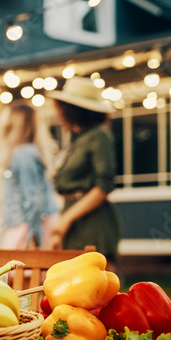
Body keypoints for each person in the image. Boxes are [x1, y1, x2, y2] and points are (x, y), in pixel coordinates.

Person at [47, 76, 122, 264]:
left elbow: (103, 187)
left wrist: (66, 220)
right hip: (72, 221)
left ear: (73, 111)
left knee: (96, 284)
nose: (58, 114)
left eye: (61, 108)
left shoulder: (99, 137)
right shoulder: (77, 140)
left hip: (92, 223)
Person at [0, 102, 60, 249]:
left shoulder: (24, 154)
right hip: (27, 225)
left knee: (19, 272)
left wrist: (33, 236)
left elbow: (33, 197)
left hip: (26, 228)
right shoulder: (24, 153)